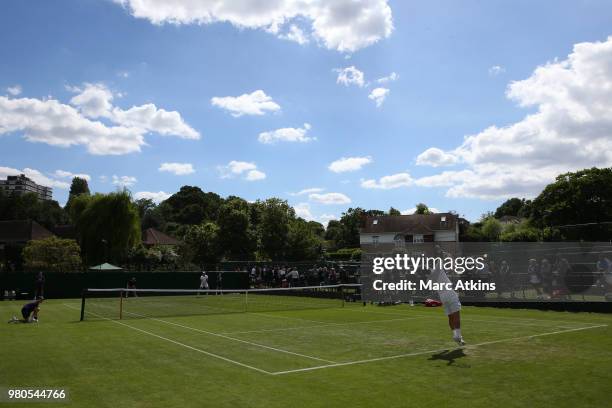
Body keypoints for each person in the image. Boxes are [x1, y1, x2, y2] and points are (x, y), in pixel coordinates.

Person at [429, 252, 465, 346]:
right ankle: (458, 337)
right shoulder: (438, 268)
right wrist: (447, 255)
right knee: (456, 316)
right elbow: (445, 261)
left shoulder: (433, 273)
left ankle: (455, 336)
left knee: (450, 317)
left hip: (442, 297)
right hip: (449, 294)